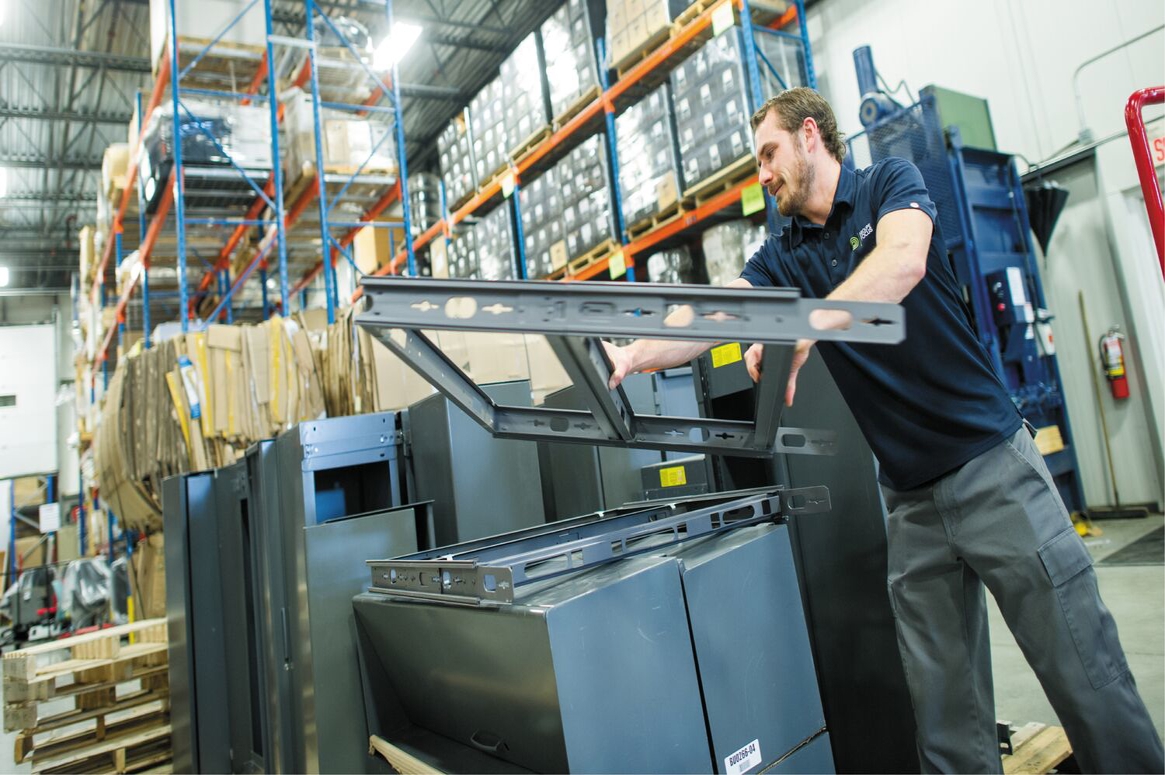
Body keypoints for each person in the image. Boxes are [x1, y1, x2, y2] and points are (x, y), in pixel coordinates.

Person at [603, 87, 1164, 773]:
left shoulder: (887, 186)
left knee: (1085, 671)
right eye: (756, 162)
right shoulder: (783, 253)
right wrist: (632, 354)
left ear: (810, 135)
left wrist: (805, 323)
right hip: (909, 499)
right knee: (945, 716)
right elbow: (716, 316)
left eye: (768, 154)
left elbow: (901, 263)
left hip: (991, 467)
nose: (762, 173)